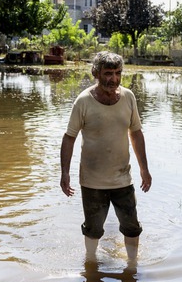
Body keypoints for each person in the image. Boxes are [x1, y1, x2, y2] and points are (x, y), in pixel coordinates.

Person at [60, 51, 152, 264]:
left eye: (118, 73)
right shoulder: (83, 101)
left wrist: (144, 169)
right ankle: (90, 265)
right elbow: (69, 138)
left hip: (122, 178)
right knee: (93, 229)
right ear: (96, 73)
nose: (113, 79)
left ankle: (132, 267)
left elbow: (136, 133)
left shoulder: (128, 97)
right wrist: (65, 173)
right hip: (92, 181)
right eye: (108, 73)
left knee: (132, 227)